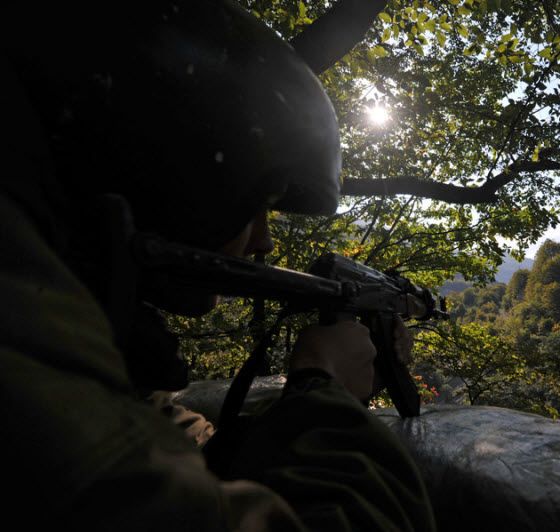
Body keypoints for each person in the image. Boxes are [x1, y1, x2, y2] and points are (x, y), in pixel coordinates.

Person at [1, 0, 436, 530]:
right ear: (182, 185)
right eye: (256, 206)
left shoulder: (77, 334)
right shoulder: (25, 344)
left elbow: (157, 441)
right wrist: (330, 392)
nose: (264, 243)